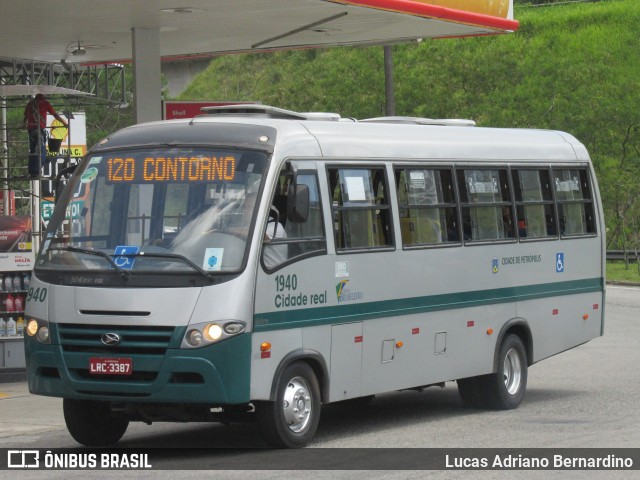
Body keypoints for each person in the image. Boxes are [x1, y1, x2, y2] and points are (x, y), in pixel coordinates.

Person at [23, 93, 68, 178]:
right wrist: (64, 123)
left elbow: (25, 116)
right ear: (43, 98)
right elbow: (55, 115)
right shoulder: (45, 103)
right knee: (42, 151)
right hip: (39, 129)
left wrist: (24, 124)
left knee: (33, 150)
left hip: (31, 130)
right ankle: (37, 171)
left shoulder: (30, 104)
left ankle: (32, 171)